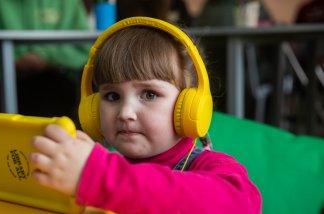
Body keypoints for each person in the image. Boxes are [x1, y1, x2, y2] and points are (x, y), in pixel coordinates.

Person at [29, 17, 262, 213]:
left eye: (149, 94)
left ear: (190, 107)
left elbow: (242, 204)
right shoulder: (103, 161)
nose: (125, 113)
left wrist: (98, 176)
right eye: (112, 96)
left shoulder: (207, 165)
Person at [0, 0, 91, 125]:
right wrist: (15, 63)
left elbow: (83, 48)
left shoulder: (69, 3)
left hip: (55, 83)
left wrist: (47, 57)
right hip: (6, 81)